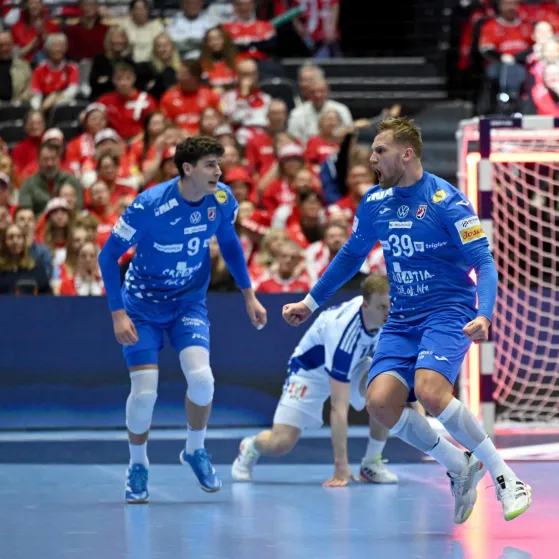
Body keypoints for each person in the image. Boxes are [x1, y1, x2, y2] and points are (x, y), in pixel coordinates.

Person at [281, 117, 532, 524]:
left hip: (447, 310)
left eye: (380, 151)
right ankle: (458, 463)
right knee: (379, 403)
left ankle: (507, 478)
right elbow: (349, 257)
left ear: (407, 154)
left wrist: (484, 314)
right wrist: (311, 302)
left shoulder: (447, 201)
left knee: (430, 391)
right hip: (402, 318)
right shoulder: (375, 203)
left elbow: (484, 263)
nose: (372, 158)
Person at [97, 136, 267, 504]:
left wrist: (248, 293)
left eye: (219, 165)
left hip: (188, 304)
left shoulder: (221, 199)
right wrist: (118, 313)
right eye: (210, 165)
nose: (218, 172)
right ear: (187, 169)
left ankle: (194, 449)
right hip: (142, 307)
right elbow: (107, 257)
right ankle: (137, 465)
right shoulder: (148, 205)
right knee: (144, 394)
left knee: (203, 381)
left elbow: (231, 243)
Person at [232, 274, 401, 487]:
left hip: (356, 363)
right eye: (382, 307)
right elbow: (338, 408)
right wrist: (341, 466)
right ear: (366, 305)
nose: (388, 312)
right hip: (310, 373)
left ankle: (371, 463)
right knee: (281, 443)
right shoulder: (343, 333)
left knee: (382, 390)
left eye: (390, 305)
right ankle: (251, 446)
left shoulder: (390, 316)